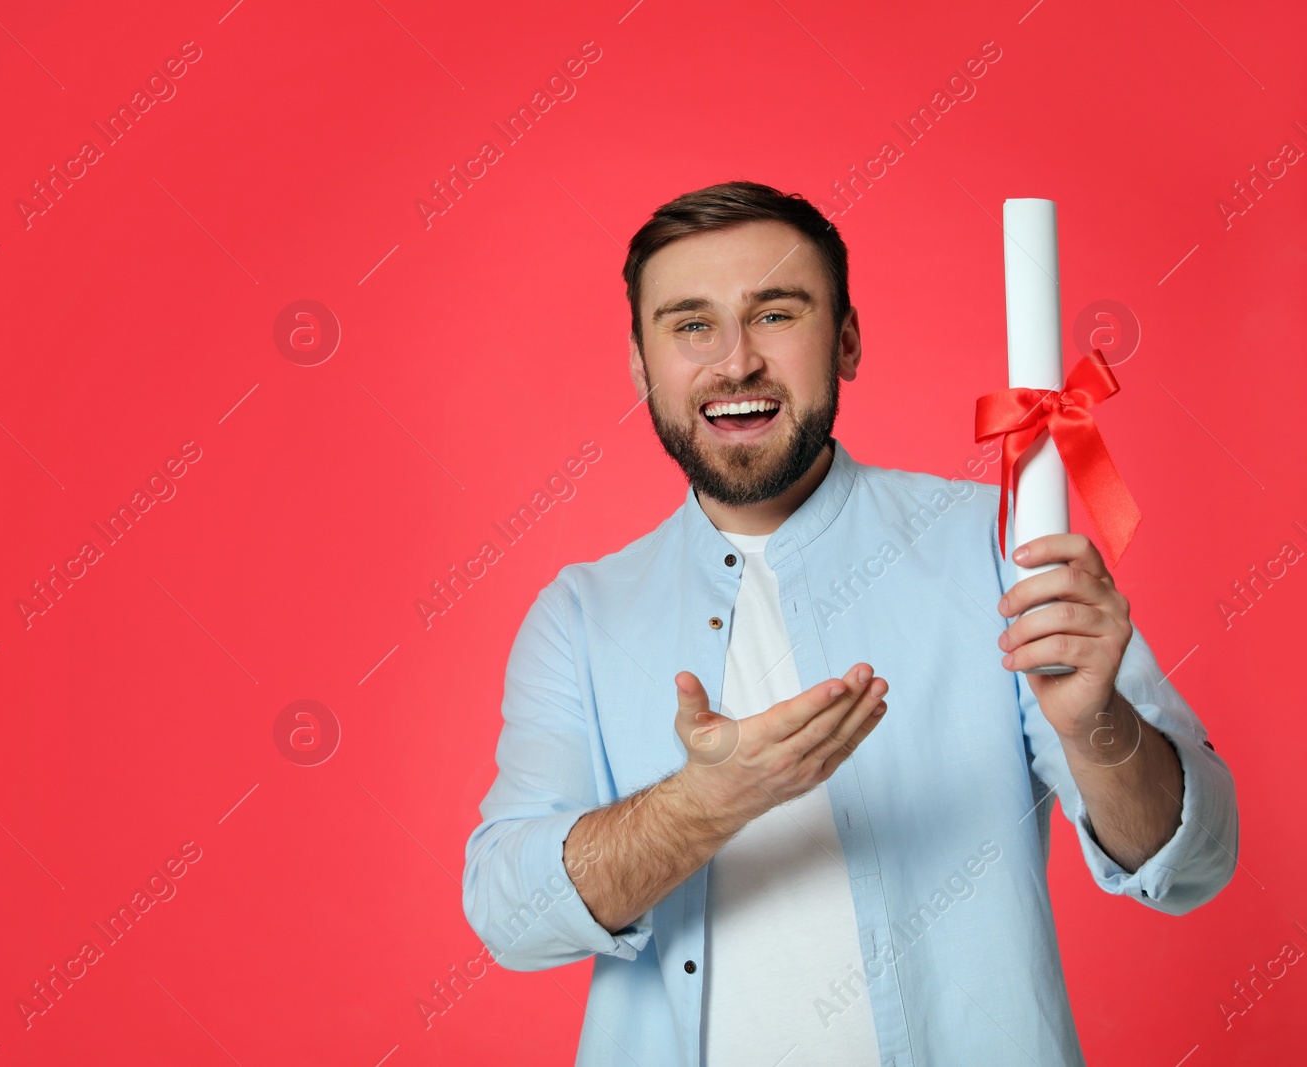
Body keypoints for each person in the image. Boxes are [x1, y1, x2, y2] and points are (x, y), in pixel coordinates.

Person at [460, 180, 1239, 1066]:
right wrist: (703, 805)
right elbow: (511, 917)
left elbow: (1198, 864)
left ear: (848, 341)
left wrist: (1098, 727)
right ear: (642, 366)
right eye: (689, 325)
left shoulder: (998, 547)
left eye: (777, 314)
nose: (736, 361)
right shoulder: (579, 614)